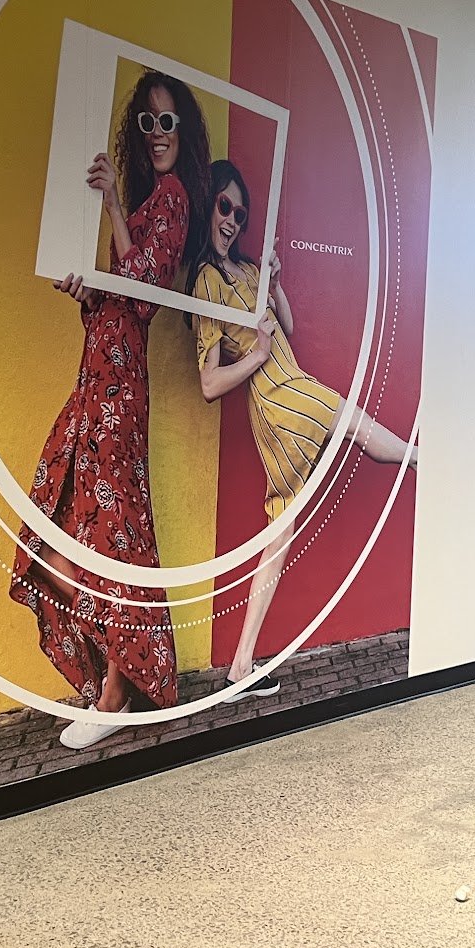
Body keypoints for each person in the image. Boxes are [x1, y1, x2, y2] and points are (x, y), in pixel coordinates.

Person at [10, 72, 212, 749]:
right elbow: (116, 296)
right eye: (147, 122)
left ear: (182, 132)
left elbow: (145, 289)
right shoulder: (149, 201)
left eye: (168, 121)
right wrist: (85, 289)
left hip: (121, 393)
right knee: (60, 535)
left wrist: (113, 209)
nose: (157, 134)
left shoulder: (174, 198)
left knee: (115, 536)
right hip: (95, 379)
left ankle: (115, 694)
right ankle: (110, 682)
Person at [189, 159, 416, 695]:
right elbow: (209, 383)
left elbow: (287, 327)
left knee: (280, 533)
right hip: (276, 397)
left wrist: (275, 285)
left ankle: (240, 665)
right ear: (208, 206)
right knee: (352, 420)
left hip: (290, 384)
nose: (232, 221)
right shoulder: (205, 282)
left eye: (240, 214)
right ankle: (421, 457)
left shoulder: (247, 272)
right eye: (224, 207)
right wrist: (257, 354)